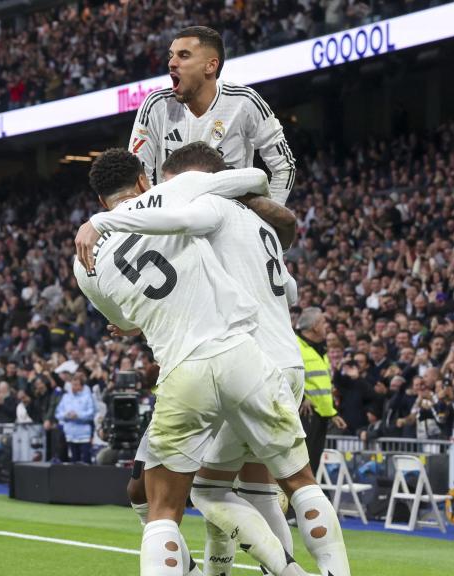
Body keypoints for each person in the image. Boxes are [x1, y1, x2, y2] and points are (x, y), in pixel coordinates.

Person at [74, 149, 349, 576]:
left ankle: (261, 570)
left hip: (183, 368)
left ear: (98, 201)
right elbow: (257, 178)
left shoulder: (82, 260)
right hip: (247, 355)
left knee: (163, 507)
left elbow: (124, 318)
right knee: (297, 483)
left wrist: (102, 225)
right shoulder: (179, 194)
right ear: (146, 181)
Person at [129, 26, 296, 204]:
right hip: (174, 221)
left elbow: (284, 166)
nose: (172, 63)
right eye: (171, 55)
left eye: (184, 55)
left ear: (210, 65)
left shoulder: (244, 102)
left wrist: (267, 217)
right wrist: (155, 218)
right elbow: (137, 173)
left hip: (229, 222)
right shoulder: (156, 105)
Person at [297, 307, 348, 472]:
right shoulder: (295, 346)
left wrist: (332, 413)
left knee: (312, 464)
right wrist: (302, 398)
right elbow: (285, 377)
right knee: (301, 465)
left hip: (320, 415)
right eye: (324, 322)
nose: (327, 326)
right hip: (305, 413)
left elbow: (321, 387)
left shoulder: (321, 349)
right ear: (315, 327)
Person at [54, 373, 95, 463]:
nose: (74, 387)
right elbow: (58, 413)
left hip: (84, 435)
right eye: (72, 384)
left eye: (76, 385)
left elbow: (91, 414)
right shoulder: (66, 397)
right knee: (74, 462)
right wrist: (66, 415)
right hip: (70, 435)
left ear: (81, 386)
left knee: (86, 462)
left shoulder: (87, 397)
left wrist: (78, 415)